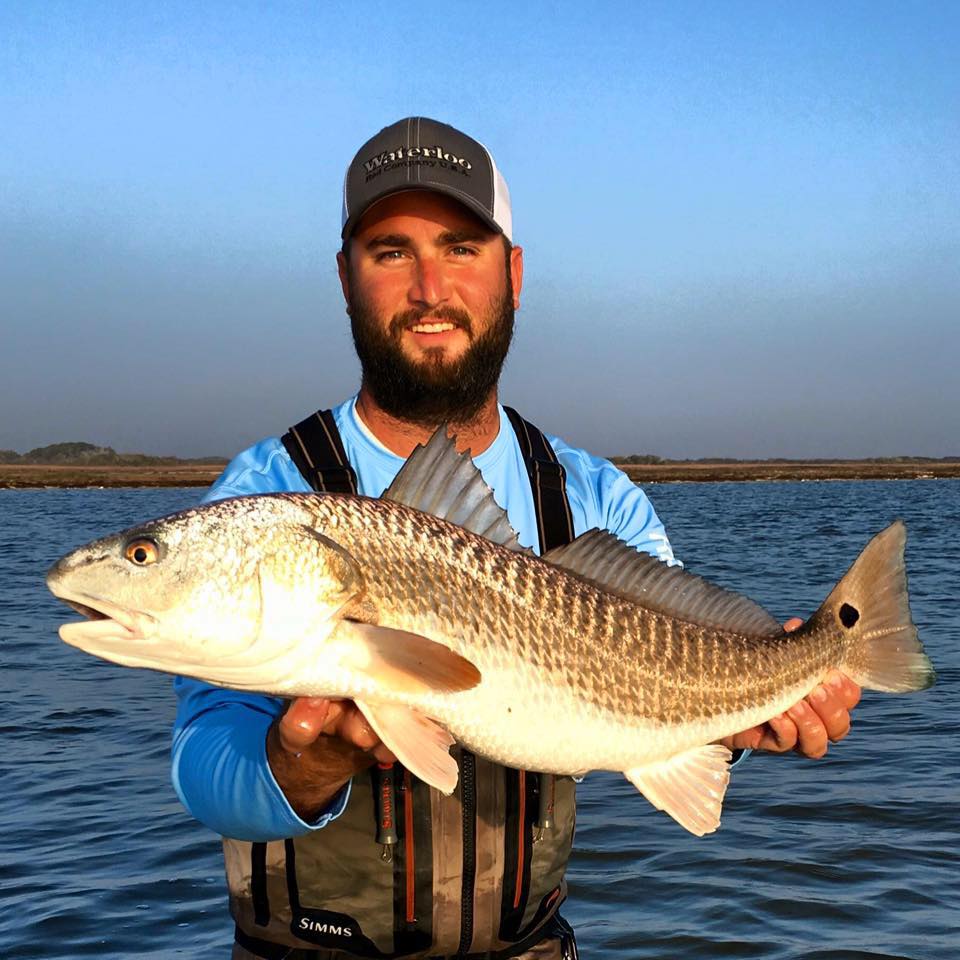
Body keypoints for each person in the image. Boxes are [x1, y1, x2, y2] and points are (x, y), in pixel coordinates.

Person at [172, 117, 861, 960]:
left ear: (515, 273)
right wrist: (304, 765)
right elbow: (204, 759)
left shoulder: (597, 500)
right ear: (346, 279)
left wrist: (757, 715)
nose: (429, 287)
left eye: (461, 247)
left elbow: (686, 694)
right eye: (391, 251)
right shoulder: (265, 498)